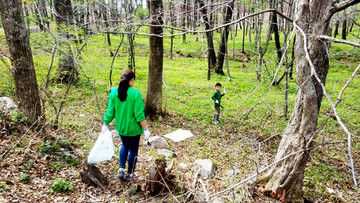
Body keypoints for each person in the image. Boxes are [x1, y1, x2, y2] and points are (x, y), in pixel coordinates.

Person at [102, 69, 150, 182]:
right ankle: (130, 174)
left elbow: (110, 111)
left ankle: (121, 169)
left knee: (124, 145)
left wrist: (105, 124)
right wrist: (145, 129)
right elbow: (139, 115)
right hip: (133, 129)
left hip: (121, 127)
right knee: (133, 150)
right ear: (132, 80)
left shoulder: (114, 92)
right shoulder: (136, 94)